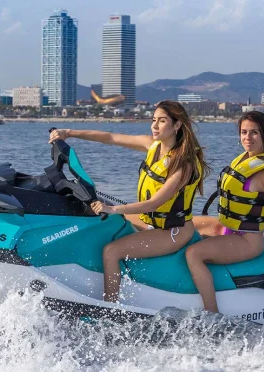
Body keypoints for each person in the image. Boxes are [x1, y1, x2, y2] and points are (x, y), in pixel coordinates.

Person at [49, 101, 208, 303]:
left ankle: (109, 308)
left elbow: (154, 204)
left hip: (173, 231)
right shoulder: (152, 146)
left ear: (177, 125)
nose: (155, 126)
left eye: (162, 121)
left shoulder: (183, 164)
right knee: (102, 224)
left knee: (112, 251)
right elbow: (110, 137)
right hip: (152, 222)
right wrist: (69, 132)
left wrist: (112, 208)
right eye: (153, 120)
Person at [185, 111, 264, 313]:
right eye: (244, 132)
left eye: (254, 132)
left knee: (194, 253)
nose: (248, 137)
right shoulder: (245, 160)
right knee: (182, 226)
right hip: (227, 228)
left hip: (248, 241)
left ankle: (211, 313)